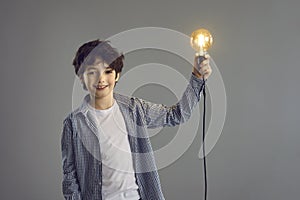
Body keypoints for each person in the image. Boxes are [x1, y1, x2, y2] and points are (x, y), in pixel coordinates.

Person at [61, 39, 212, 200]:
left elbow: (176, 115)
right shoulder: (73, 123)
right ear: (81, 77)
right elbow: (70, 176)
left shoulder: (135, 109)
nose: (101, 79)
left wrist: (197, 76)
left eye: (108, 71)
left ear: (117, 75)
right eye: (92, 72)